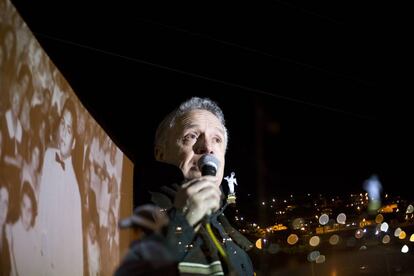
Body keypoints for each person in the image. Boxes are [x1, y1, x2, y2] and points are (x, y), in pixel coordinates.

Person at [146, 97, 254, 275]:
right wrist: (183, 222)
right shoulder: (134, 207)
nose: (208, 147)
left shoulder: (229, 234)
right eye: (191, 136)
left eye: (217, 139)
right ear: (161, 153)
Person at [37, 97, 83, 275]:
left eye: (69, 129)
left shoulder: (74, 191)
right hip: (38, 257)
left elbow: (75, 252)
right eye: (62, 124)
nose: (63, 132)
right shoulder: (49, 156)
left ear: (74, 142)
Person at [114, 204, 178, 276]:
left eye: (134, 230)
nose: (132, 235)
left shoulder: (141, 253)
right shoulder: (168, 254)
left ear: (141, 232)